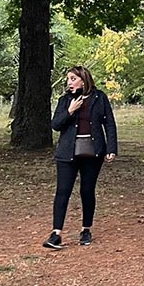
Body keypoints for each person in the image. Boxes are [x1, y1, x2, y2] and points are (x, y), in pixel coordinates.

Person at [45, 66, 118, 250]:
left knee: (87, 190)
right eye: (68, 79)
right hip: (67, 152)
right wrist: (70, 110)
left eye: (72, 79)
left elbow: (109, 122)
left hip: (93, 152)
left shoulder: (99, 98)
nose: (69, 82)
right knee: (63, 191)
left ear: (83, 80)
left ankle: (86, 229)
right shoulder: (65, 101)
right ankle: (56, 234)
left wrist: (111, 148)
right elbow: (55, 125)